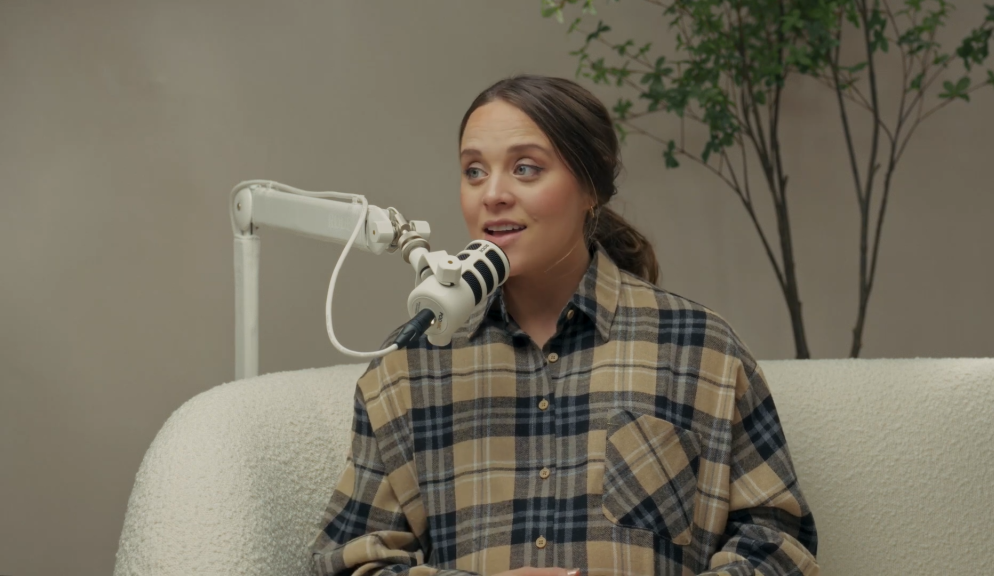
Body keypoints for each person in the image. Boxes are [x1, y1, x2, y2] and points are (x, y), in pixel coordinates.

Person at [310, 75, 818, 576]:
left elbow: (777, 544)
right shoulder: (409, 366)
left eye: (526, 169)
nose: (493, 194)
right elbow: (349, 561)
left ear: (590, 188)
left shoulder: (700, 350)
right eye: (473, 171)